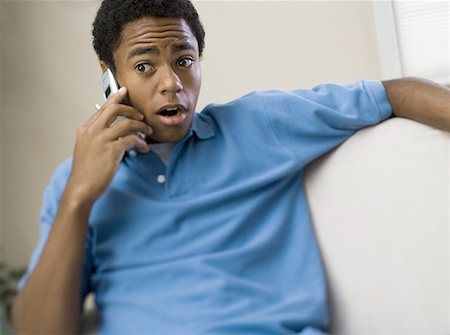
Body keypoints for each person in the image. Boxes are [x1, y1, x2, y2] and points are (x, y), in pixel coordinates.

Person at [11, 0, 450, 334]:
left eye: (184, 60)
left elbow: (394, 93)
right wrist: (78, 198)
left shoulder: (259, 124)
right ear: (109, 77)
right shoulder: (75, 185)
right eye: (144, 65)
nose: (172, 83)